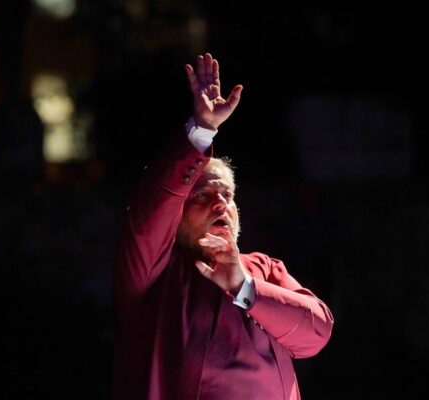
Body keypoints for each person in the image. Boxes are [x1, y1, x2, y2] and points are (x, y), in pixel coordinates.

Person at [111, 53, 334, 400]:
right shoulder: (155, 272)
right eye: (202, 195)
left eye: (227, 195)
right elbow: (150, 211)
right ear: (176, 213)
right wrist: (202, 130)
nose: (220, 205)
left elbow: (316, 333)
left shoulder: (263, 268)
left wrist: (243, 286)